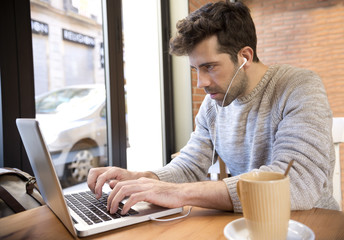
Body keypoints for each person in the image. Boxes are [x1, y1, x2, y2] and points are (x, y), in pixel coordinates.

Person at [88, 0, 339, 215]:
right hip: (251, 221)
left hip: (311, 222)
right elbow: (190, 165)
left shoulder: (299, 87)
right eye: (196, 69)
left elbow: (296, 183)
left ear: (245, 57)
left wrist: (178, 193)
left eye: (210, 67)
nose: (201, 83)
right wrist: (145, 178)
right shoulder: (213, 106)